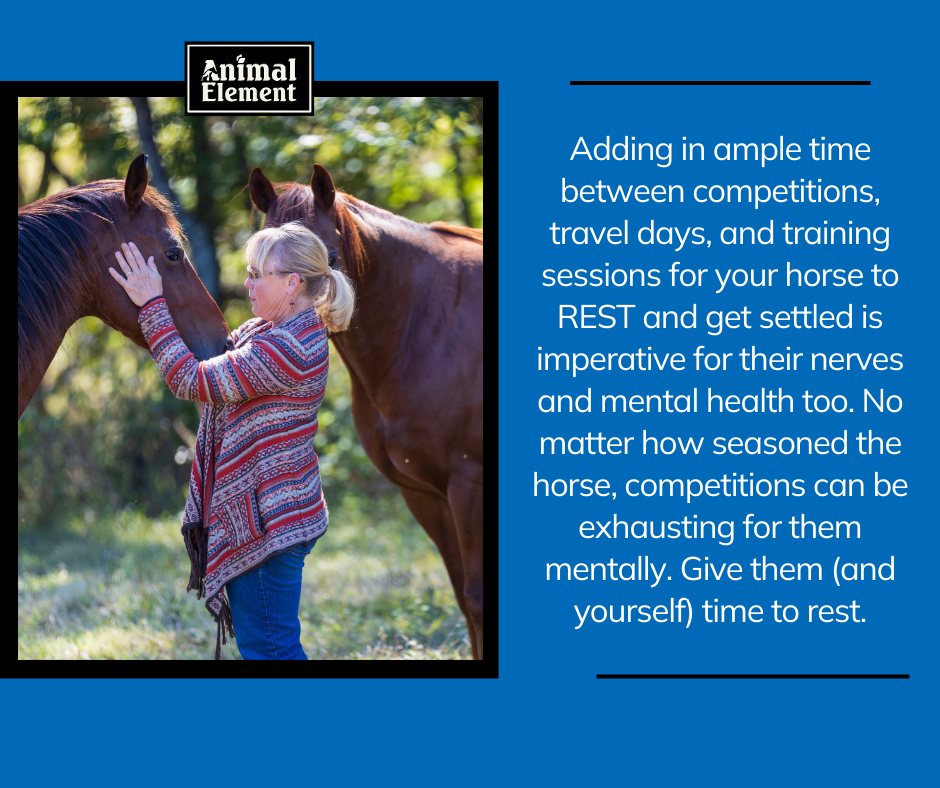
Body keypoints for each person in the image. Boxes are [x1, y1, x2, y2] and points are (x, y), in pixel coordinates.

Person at [109, 222, 355, 659]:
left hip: (268, 524)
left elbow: (190, 378)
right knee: (269, 645)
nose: (247, 283)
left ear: (292, 283)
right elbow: (224, 355)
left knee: (271, 651)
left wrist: (151, 304)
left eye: (258, 274)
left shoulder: (286, 348)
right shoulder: (276, 332)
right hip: (278, 513)